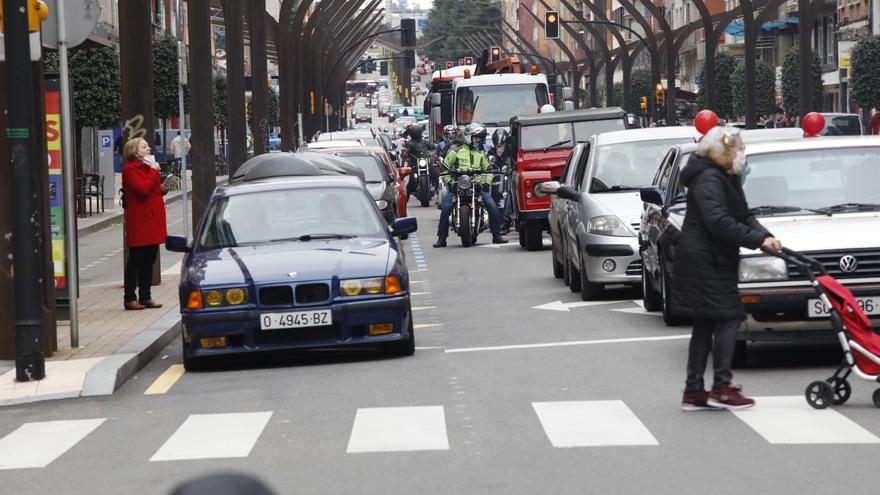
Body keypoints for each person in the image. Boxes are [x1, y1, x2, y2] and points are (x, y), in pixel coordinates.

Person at [673, 126, 782, 411]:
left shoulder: (724, 175)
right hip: (706, 258)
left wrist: (766, 236)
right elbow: (718, 221)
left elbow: (743, 214)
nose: (741, 152)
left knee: (706, 322)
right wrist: (758, 240)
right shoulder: (710, 177)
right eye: (737, 148)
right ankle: (721, 388)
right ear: (723, 151)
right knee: (730, 315)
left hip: (711, 256)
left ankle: (694, 391)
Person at [433, 124, 507, 247]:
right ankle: (442, 238)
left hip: (477, 187)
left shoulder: (480, 154)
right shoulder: (454, 151)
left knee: (492, 206)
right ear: (468, 137)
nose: (478, 140)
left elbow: (488, 169)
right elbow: (444, 169)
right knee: (445, 208)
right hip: (457, 186)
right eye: (476, 138)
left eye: (479, 138)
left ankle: (496, 235)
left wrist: (486, 184)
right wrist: (450, 183)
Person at [121, 138, 169, 311]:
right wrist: (154, 172)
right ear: (134, 151)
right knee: (136, 260)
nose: (149, 148)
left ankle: (145, 296)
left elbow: (152, 189)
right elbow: (142, 189)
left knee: (150, 260)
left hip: (153, 218)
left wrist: (163, 187)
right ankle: (129, 298)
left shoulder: (148, 168)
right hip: (141, 220)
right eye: (144, 146)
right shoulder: (130, 170)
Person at [490, 128, 514, 234]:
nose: (500, 149)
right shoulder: (489, 153)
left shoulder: (510, 154)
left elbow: (514, 164)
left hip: (506, 180)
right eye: (498, 146)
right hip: (493, 181)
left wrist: (511, 167)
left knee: (509, 195)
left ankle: (506, 221)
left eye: (502, 146)